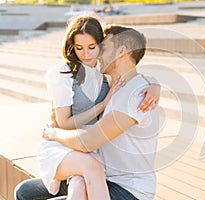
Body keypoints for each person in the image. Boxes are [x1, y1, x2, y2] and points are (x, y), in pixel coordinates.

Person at [14, 15, 160, 200]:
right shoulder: (120, 83)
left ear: (122, 51)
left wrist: (53, 133)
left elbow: (87, 142)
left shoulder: (136, 96)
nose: (97, 54)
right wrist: (155, 83)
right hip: (103, 175)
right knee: (25, 192)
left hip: (128, 190)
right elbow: (138, 74)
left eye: (103, 47)